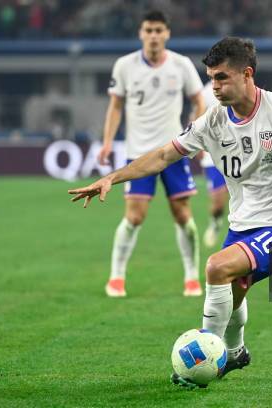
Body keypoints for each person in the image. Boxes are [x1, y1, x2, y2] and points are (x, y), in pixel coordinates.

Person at [70, 37, 272, 385]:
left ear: (247, 74)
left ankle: (203, 363)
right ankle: (235, 354)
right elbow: (162, 156)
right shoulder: (211, 123)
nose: (214, 86)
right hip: (243, 225)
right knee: (232, 294)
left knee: (217, 267)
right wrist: (113, 176)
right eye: (211, 78)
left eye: (222, 78)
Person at [96, 10, 206, 297]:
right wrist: (107, 142)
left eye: (159, 30)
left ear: (167, 33)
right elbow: (116, 106)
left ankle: (192, 277)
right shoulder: (125, 66)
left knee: (183, 215)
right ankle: (116, 278)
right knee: (135, 216)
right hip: (137, 153)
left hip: (172, 152)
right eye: (149, 30)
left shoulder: (181, 65)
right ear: (141, 33)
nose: (154, 35)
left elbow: (199, 101)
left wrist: (194, 135)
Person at [196, 81, 229, 248]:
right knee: (217, 203)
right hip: (213, 154)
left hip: (241, 151)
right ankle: (216, 222)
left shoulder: (239, 87)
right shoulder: (206, 92)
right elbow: (197, 117)